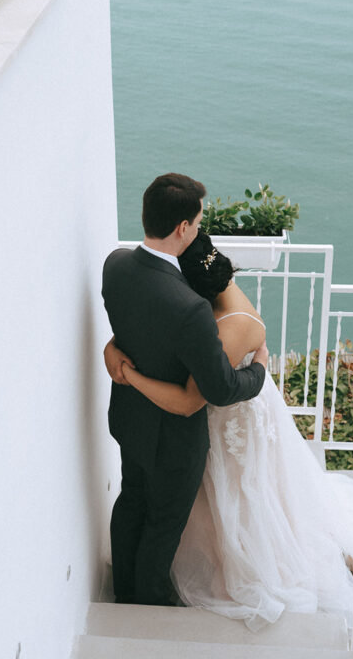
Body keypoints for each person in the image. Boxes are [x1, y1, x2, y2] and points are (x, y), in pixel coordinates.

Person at [115, 231, 353, 631]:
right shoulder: (208, 297)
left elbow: (201, 395)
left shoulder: (226, 325)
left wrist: (130, 368)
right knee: (224, 490)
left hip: (237, 416)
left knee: (248, 487)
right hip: (224, 414)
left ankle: (247, 560)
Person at [102, 174, 268, 608]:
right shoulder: (190, 308)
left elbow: (131, 327)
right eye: (196, 223)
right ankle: (150, 603)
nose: (198, 230)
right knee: (164, 521)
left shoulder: (115, 264)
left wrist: (113, 351)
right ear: (181, 228)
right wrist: (260, 373)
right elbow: (219, 387)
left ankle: (125, 591)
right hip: (173, 439)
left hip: (128, 418)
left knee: (131, 499)